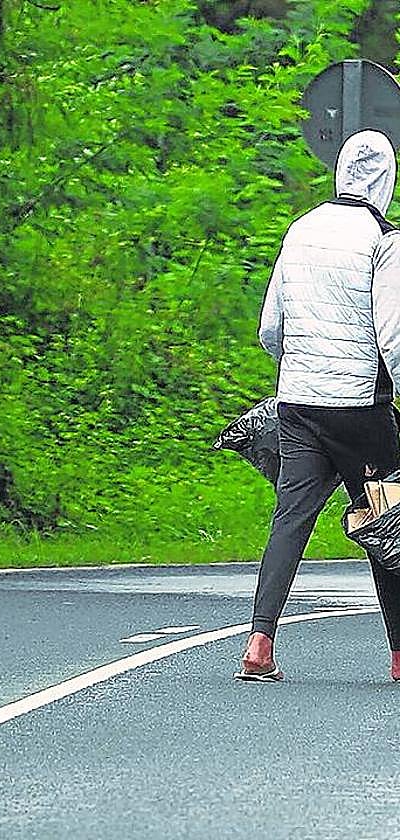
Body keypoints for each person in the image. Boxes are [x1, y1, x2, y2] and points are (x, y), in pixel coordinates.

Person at [241, 129, 400, 683]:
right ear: (386, 179)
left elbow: (270, 328)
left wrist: (300, 367)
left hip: (299, 402)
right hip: (360, 408)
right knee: (388, 522)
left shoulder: (300, 229)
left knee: (290, 519)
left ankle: (259, 643)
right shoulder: (384, 239)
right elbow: (394, 335)